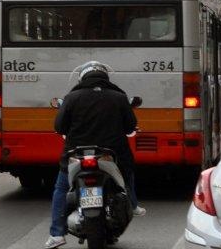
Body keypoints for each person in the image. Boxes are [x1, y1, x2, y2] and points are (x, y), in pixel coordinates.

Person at [44, 61, 145, 249]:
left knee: (61, 188)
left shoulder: (71, 98)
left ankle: (57, 234)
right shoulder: (119, 97)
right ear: (105, 78)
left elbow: (59, 127)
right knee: (127, 172)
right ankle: (133, 204)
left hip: (76, 154)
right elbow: (130, 126)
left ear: (83, 78)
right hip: (111, 155)